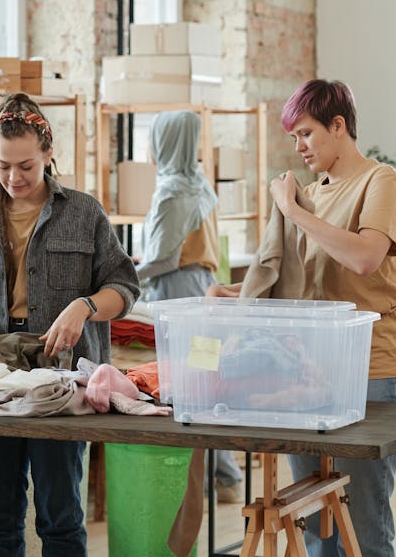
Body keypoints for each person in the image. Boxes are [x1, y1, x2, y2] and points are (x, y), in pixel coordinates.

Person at [210, 79, 396, 556]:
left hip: (372, 372)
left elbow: (364, 258)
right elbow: (304, 286)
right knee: (319, 521)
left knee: (363, 524)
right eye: (294, 137)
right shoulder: (311, 193)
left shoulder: (380, 181)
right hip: (309, 375)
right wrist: (238, 294)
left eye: (305, 134)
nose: (298, 147)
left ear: (337, 126)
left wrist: (292, 211)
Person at [0, 93, 140, 556]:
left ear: (49, 154)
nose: (14, 178)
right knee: (0, 516)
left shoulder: (84, 212)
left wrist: (84, 307)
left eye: (26, 166)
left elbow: (125, 287)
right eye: (3, 166)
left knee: (60, 516)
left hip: (63, 376)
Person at [134, 111, 244, 503]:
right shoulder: (199, 184)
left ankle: (209, 480)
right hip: (203, 290)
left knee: (188, 385)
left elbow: (164, 259)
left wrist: (128, 275)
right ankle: (227, 478)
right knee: (205, 381)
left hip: (179, 296)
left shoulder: (172, 191)